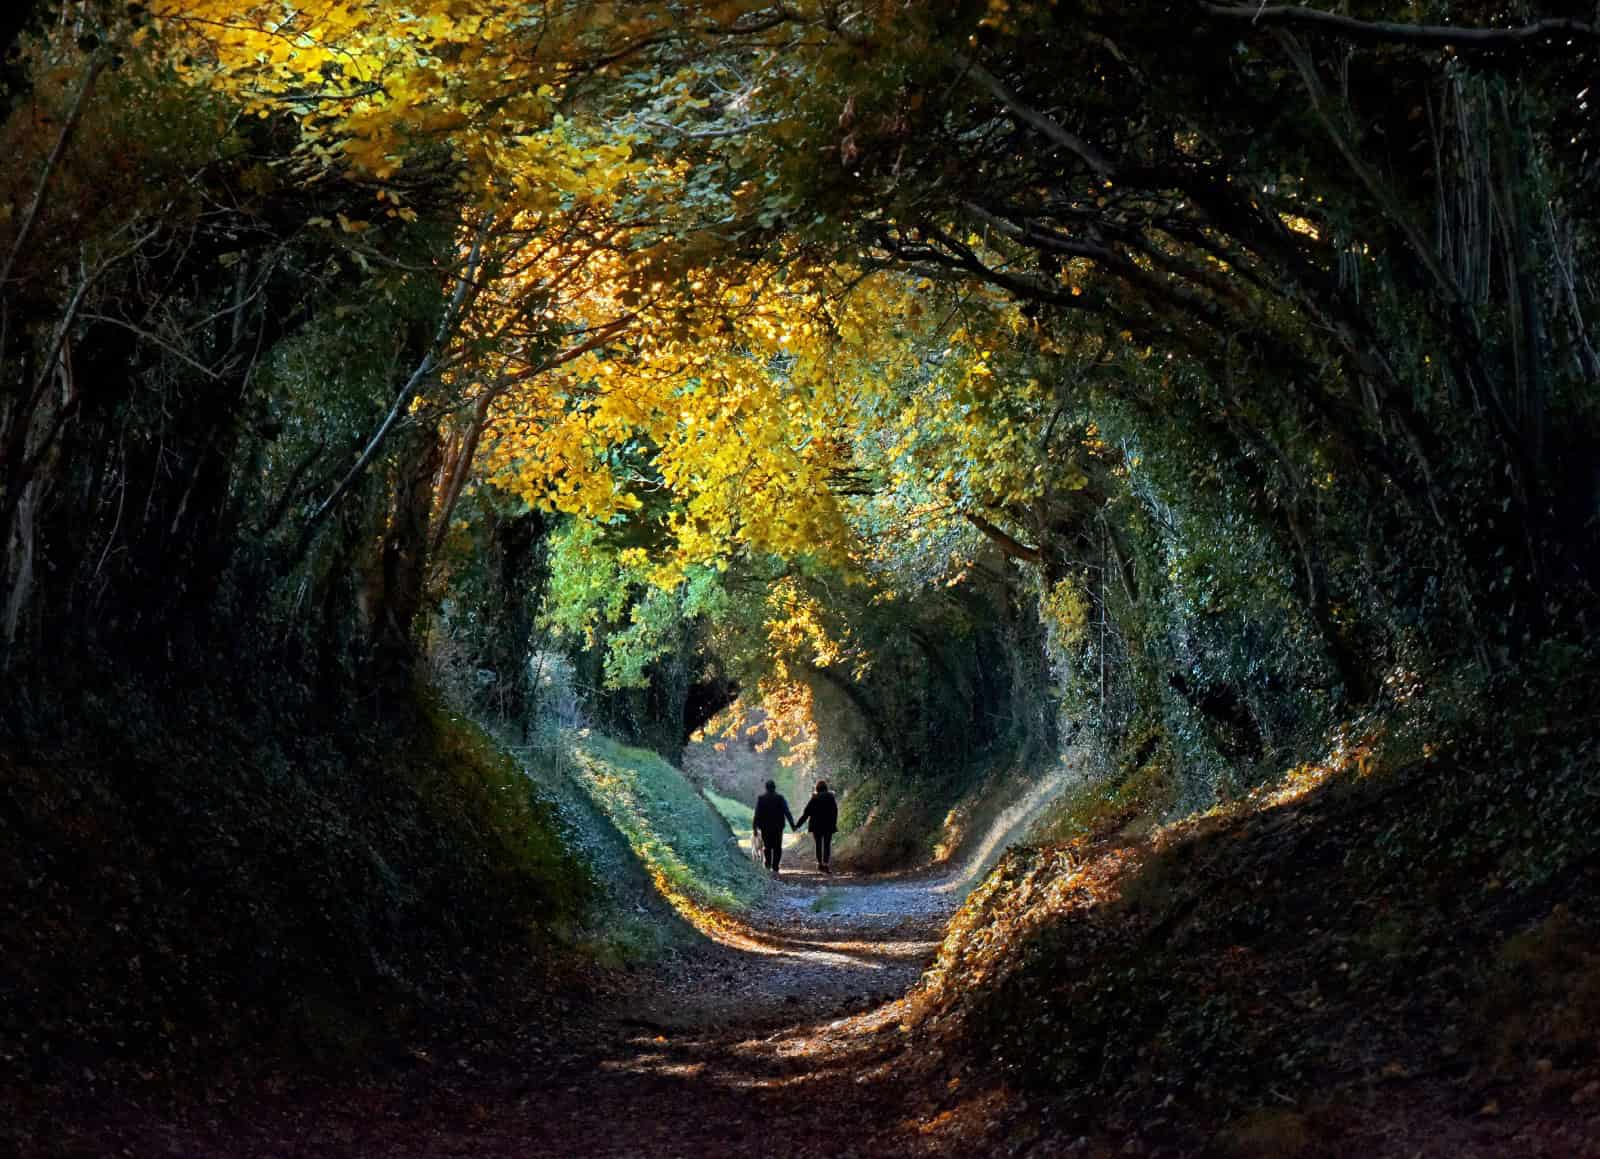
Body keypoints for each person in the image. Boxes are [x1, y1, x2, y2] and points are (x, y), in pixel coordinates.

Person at [752, 779, 797, 876]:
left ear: (766, 788)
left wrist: (754, 828)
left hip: (765, 827)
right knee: (777, 847)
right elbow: (787, 812)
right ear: (774, 787)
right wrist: (792, 825)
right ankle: (775, 866)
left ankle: (768, 864)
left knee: (767, 847)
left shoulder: (761, 798)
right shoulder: (780, 798)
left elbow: (757, 814)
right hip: (778, 827)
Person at [796, 779, 839, 874]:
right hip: (828, 825)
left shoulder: (814, 798)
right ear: (826, 788)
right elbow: (835, 811)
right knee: (827, 845)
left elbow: (806, 813)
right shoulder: (831, 797)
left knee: (818, 845)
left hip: (817, 826)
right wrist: (834, 823)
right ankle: (826, 864)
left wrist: (798, 825)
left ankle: (820, 864)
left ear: (817, 788)